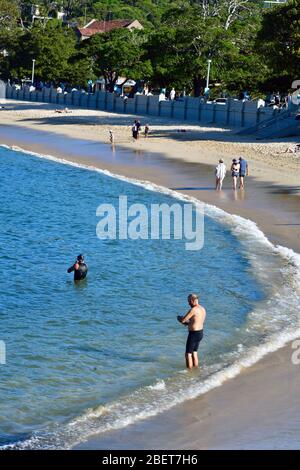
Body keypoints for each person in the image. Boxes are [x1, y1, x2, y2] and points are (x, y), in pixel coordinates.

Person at [177, 294, 206, 369]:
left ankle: (189, 373)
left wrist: (179, 318)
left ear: (192, 300)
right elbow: (196, 321)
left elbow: (183, 320)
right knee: (194, 352)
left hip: (194, 334)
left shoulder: (193, 310)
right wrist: (188, 323)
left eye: (189, 302)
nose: (188, 303)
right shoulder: (202, 309)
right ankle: (196, 369)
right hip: (200, 333)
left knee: (188, 354)